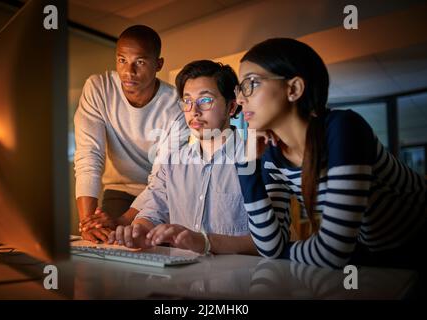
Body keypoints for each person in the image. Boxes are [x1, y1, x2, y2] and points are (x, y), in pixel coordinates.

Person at [234, 38, 427, 270]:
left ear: (293, 89)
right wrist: (246, 163)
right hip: (374, 256)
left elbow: (330, 252)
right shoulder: (271, 155)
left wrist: (284, 253)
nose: (239, 99)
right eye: (240, 88)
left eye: (251, 83)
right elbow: (268, 245)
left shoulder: (344, 128)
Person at [105, 60, 257, 255]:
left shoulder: (255, 161)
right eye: (187, 101)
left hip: (242, 280)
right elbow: (153, 211)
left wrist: (204, 242)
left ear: (231, 106)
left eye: (205, 100)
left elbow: (270, 242)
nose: (194, 111)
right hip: (181, 280)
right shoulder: (171, 163)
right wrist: (140, 230)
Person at [74, 25, 187, 243]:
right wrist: (89, 223)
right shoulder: (99, 88)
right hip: (119, 189)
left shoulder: (175, 105)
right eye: (122, 60)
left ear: (158, 65)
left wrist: (125, 221)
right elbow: (89, 155)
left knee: (152, 250)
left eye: (140, 62)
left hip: (163, 195)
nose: (128, 72)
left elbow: (164, 176)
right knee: (103, 244)